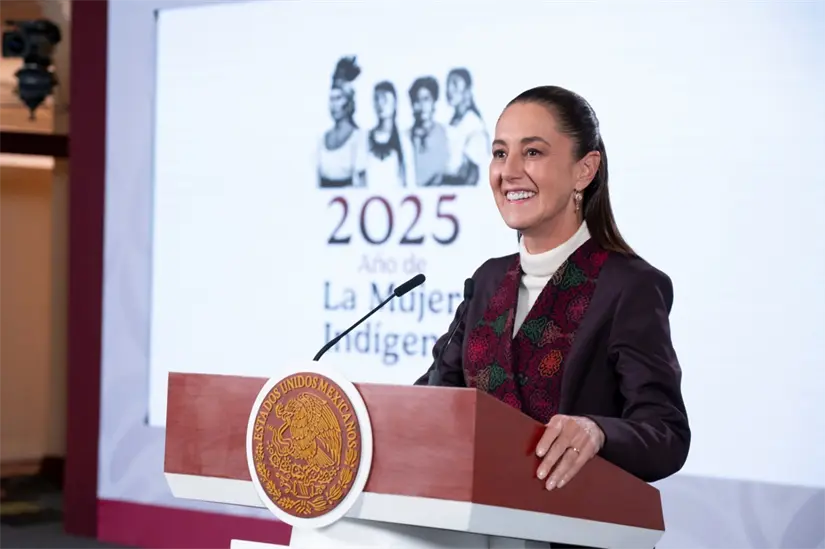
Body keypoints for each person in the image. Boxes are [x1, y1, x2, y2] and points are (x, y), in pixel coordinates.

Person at [415, 85, 690, 528]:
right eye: (500, 153)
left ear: (585, 169)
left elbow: (666, 433)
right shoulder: (487, 280)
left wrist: (598, 433)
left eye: (533, 153)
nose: (509, 171)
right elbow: (434, 398)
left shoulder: (630, 286)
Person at [317, 56, 367, 188]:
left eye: (338, 98)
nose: (333, 105)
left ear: (348, 101)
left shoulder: (359, 137)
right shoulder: (322, 139)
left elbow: (362, 184)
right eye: (331, 99)